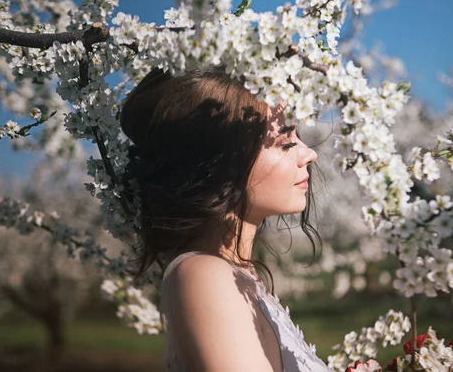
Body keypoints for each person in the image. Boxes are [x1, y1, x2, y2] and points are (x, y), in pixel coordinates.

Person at [120, 67, 332, 371]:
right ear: (223, 163)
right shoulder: (205, 275)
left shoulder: (235, 275)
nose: (309, 154)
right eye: (286, 142)